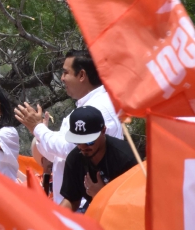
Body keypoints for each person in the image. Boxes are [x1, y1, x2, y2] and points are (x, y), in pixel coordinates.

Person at [15, 49, 122, 204]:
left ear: (82, 75)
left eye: (65, 72)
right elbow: (54, 156)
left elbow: (70, 149)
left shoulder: (99, 108)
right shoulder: (83, 109)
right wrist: (39, 132)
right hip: (73, 204)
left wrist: (38, 128)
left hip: (87, 204)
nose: (62, 78)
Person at [60, 105, 136, 211]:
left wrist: (102, 194)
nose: (82, 147)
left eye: (89, 141)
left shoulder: (126, 158)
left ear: (103, 131)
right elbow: (72, 199)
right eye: (77, 141)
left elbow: (137, 203)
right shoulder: (74, 159)